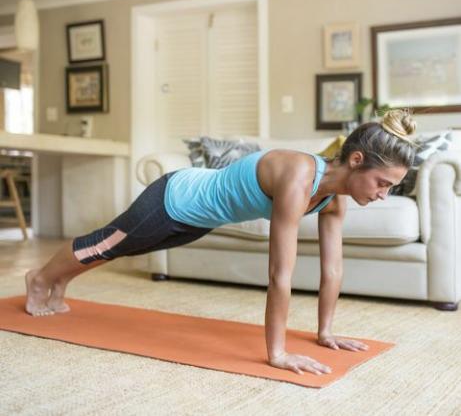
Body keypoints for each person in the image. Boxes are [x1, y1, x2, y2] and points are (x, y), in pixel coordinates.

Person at [25, 108, 416, 376]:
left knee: (122, 248)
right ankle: (40, 280)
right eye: (383, 183)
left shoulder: (334, 200)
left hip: (200, 221)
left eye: (391, 188)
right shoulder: (299, 176)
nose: (383, 194)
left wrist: (325, 332)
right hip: (174, 198)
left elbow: (333, 269)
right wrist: (276, 354)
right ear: (356, 159)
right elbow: (281, 274)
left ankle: (61, 282)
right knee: (108, 242)